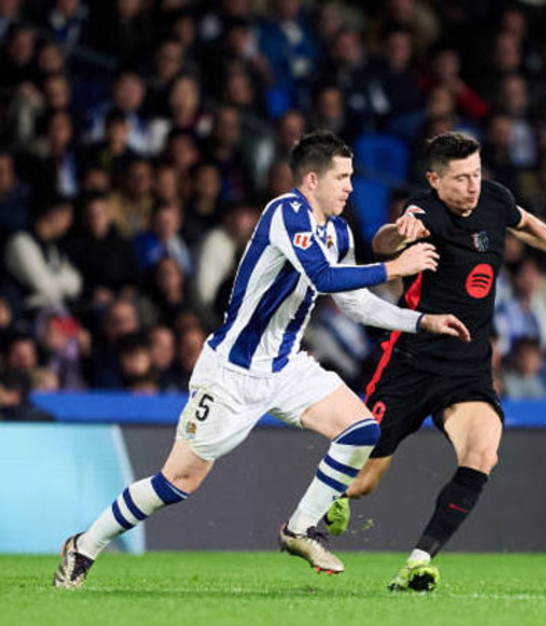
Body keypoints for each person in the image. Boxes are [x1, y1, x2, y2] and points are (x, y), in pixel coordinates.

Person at [53, 130, 470, 589]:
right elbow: (322, 277)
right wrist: (395, 267)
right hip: (232, 373)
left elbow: (353, 302)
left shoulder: (338, 229)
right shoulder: (284, 213)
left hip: (286, 366)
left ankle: (299, 528)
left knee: (361, 429)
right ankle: (84, 546)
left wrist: (419, 321)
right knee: (177, 483)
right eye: (342, 177)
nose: (350, 187)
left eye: (351, 177)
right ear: (312, 180)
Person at [325, 132, 546, 591]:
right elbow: (385, 240)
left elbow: (529, 226)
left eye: (476, 173)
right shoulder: (424, 211)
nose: (473, 186)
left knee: (482, 454)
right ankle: (334, 495)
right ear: (435, 180)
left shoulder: (494, 199)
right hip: (409, 363)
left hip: (467, 368)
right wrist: (400, 233)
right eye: (460, 179)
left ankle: (418, 561)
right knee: (365, 481)